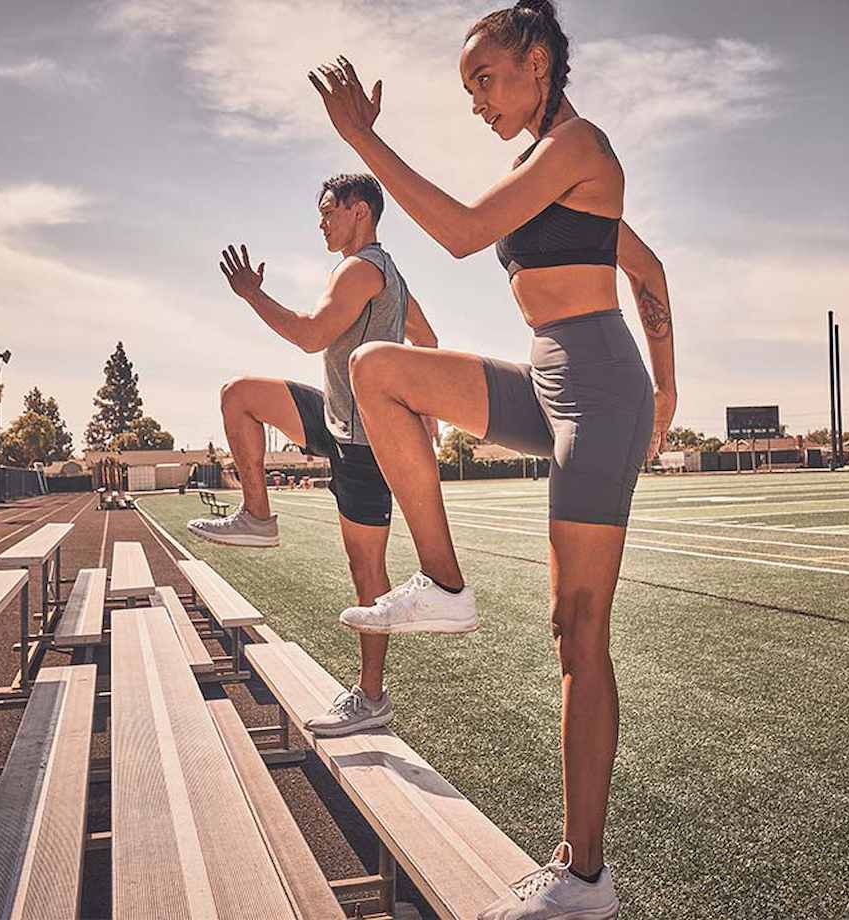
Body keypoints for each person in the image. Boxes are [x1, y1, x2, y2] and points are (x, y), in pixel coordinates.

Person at [308, 2, 676, 917]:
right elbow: (638, 261)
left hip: (598, 386)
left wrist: (662, 395)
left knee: (574, 628)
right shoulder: (539, 171)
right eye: (466, 86)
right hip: (547, 375)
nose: (475, 100)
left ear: (539, 62)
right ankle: (443, 581)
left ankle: (584, 874)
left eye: (484, 78)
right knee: (378, 369)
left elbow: (469, 233)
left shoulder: (581, 146)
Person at [187, 173, 442, 737]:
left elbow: (308, 335)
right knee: (240, 395)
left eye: (327, 210)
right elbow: (426, 337)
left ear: (359, 210)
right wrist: (430, 406)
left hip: (366, 441)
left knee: (366, 571)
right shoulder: (387, 274)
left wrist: (253, 295)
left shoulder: (363, 268)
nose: (320, 221)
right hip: (334, 414)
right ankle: (257, 515)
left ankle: (371, 699)